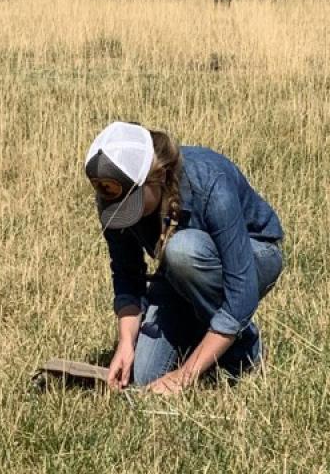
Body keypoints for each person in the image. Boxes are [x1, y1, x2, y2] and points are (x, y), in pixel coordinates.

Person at [84, 121, 284, 395]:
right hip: (179, 272)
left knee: (182, 250)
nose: (125, 213)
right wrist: (126, 342)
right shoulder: (114, 197)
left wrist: (184, 376)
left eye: (134, 204)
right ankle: (206, 333)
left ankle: (243, 347)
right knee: (144, 377)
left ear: (160, 177)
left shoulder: (210, 181)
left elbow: (241, 293)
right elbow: (127, 276)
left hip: (255, 255)